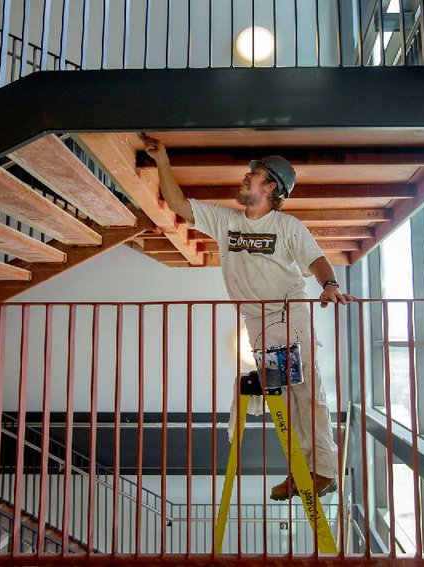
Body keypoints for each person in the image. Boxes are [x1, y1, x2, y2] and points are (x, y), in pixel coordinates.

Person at [143, 135, 354, 501]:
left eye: (252, 174)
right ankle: (300, 471)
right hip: (258, 325)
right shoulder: (226, 221)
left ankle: (324, 470)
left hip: (290, 314)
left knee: (306, 394)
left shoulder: (287, 227)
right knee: (281, 402)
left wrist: (330, 284)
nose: (245, 177)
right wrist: (162, 160)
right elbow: (178, 204)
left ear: (270, 185)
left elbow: (317, 260)